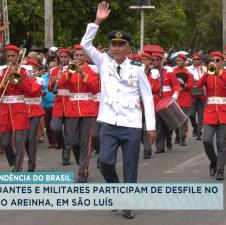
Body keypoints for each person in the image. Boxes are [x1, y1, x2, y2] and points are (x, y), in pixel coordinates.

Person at [80, 1, 156, 219]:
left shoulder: (138, 69)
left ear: (128, 49)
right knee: (105, 162)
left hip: (131, 124)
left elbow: (148, 99)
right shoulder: (103, 61)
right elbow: (85, 44)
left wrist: (150, 126)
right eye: (113, 44)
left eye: (121, 45)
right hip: (108, 122)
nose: (116, 48)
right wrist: (97, 21)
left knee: (131, 166)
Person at [58, 44, 99, 182]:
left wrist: (82, 73)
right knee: (73, 141)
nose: (79, 58)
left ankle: (82, 171)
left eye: (81, 55)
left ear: (86, 57)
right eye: (77, 55)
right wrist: (70, 72)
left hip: (88, 109)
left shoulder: (92, 70)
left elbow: (94, 87)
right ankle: (82, 164)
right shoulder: (68, 70)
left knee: (85, 141)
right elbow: (62, 85)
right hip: (73, 110)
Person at [197, 52, 226, 180]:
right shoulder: (208, 74)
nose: (214, 62)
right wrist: (206, 72)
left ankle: (220, 170)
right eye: (212, 60)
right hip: (210, 113)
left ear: (221, 62)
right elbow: (198, 86)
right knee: (206, 140)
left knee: (221, 144)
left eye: (217, 60)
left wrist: (220, 73)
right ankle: (213, 161)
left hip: (224, 113)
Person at [0, 45, 32, 172]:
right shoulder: (1, 71)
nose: (10, 59)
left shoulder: (24, 71)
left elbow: (28, 89)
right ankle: (13, 162)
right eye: (8, 56)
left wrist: (16, 76)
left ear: (18, 57)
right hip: (5, 109)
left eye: (13, 56)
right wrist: (6, 80)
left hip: (19, 108)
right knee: (5, 143)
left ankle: (17, 169)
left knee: (20, 142)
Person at [24, 58, 45, 172]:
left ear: (37, 70)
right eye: (29, 69)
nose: (31, 71)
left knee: (32, 138)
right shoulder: (21, 79)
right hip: (23, 111)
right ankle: (31, 159)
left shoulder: (39, 80)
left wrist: (28, 80)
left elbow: (33, 91)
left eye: (33, 69)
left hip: (35, 111)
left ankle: (31, 164)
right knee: (25, 140)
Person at [172, 54, 194, 146]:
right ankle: (177, 134)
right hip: (175, 98)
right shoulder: (173, 71)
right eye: (177, 60)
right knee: (175, 119)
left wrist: (183, 84)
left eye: (180, 60)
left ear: (185, 62)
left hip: (185, 98)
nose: (178, 62)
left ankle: (183, 137)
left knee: (183, 119)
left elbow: (190, 86)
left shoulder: (189, 72)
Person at [187, 53, 206, 140]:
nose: (195, 61)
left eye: (198, 59)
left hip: (202, 94)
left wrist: (199, 81)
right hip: (192, 94)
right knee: (191, 114)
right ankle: (195, 127)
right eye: (194, 59)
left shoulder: (204, 69)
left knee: (201, 115)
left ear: (201, 60)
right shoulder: (188, 69)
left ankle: (199, 132)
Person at [41, 55, 58, 150]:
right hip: (46, 105)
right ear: (47, 67)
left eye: (54, 68)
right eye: (51, 68)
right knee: (48, 124)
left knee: (55, 125)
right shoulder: (43, 78)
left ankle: (57, 140)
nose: (52, 70)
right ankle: (52, 142)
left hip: (56, 105)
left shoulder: (59, 76)